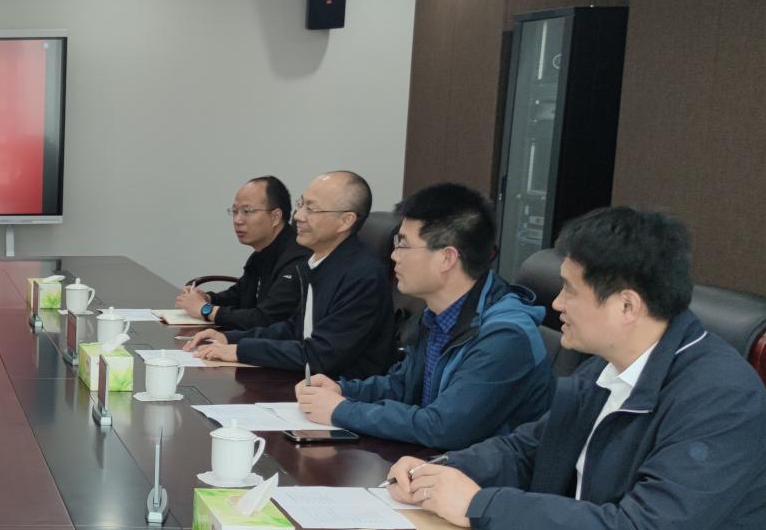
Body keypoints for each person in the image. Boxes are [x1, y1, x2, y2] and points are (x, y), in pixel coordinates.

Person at [387, 208, 766, 530]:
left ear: (627, 306)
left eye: (570, 290)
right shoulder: (607, 367)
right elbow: (528, 449)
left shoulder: (721, 398)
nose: (557, 304)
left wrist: (478, 504)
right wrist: (443, 470)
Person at [295, 183, 553, 448]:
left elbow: (444, 427)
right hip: (432, 460)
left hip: (474, 469)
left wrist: (341, 411)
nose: (393, 256)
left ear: (447, 258)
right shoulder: (437, 313)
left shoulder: (505, 336)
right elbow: (403, 386)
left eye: (403, 245)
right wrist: (342, 390)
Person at [193, 170, 395, 377]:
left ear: (345, 221)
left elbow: (320, 355)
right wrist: (230, 338)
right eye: (301, 204)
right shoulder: (319, 262)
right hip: (308, 382)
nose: (298, 216)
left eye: (311, 209)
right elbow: (294, 330)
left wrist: (241, 350)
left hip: (340, 390)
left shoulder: (361, 277)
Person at [174, 176, 307, 329]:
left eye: (247, 211)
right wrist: (208, 299)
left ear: (275, 217)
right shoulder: (263, 252)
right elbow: (241, 295)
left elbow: (267, 319)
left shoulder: (297, 258)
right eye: (235, 211)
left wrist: (206, 310)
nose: (238, 220)